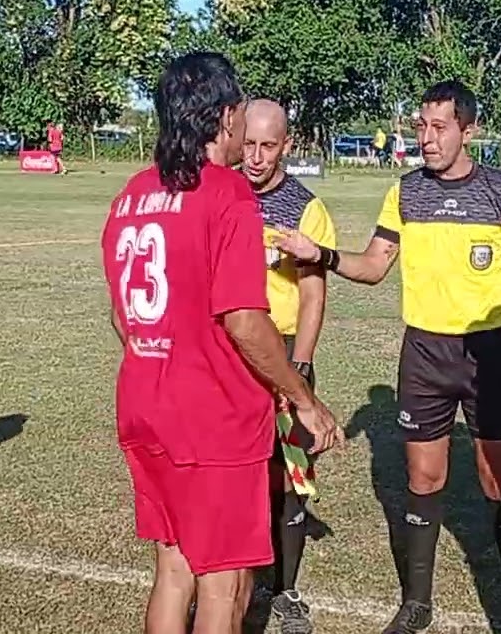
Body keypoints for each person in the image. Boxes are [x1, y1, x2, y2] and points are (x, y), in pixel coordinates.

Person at [275, 81, 501, 634]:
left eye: (439, 127)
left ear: (468, 131)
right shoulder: (405, 192)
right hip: (423, 353)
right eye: (420, 125)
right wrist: (319, 254)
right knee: (424, 478)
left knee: (498, 482)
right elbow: (374, 266)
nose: (426, 137)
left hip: (487, 353)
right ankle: (416, 602)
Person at [100, 52, 343, 634]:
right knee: (225, 586)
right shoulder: (228, 192)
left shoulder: (132, 194)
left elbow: (120, 316)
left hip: (144, 403)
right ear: (226, 116)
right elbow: (243, 319)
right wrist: (302, 398)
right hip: (213, 417)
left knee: (174, 568)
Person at [240, 99, 337, 634]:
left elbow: (313, 296)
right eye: (249, 144)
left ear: (287, 144)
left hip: (283, 351)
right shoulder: (224, 191)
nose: (255, 157)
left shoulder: (305, 208)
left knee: (291, 476)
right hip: (231, 350)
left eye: (268, 146)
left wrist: (299, 364)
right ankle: (232, 578)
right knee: (236, 472)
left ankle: (286, 590)